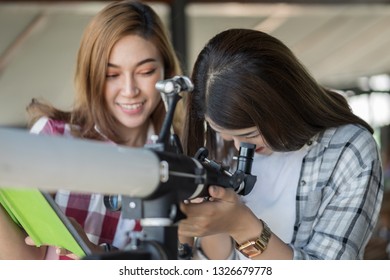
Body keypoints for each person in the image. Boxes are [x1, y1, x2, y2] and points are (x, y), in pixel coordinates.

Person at [178, 28, 384, 260]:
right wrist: (211, 220)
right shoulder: (218, 143)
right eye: (224, 134)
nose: (238, 147)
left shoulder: (348, 150)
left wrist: (242, 225)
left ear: (283, 103)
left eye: (250, 134)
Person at [0, 0, 183, 260]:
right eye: (112, 75)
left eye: (146, 71)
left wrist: (91, 252)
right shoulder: (54, 139)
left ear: (166, 70)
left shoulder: (182, 161)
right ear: (92, 74)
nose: (129, 90)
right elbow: (23, 261)